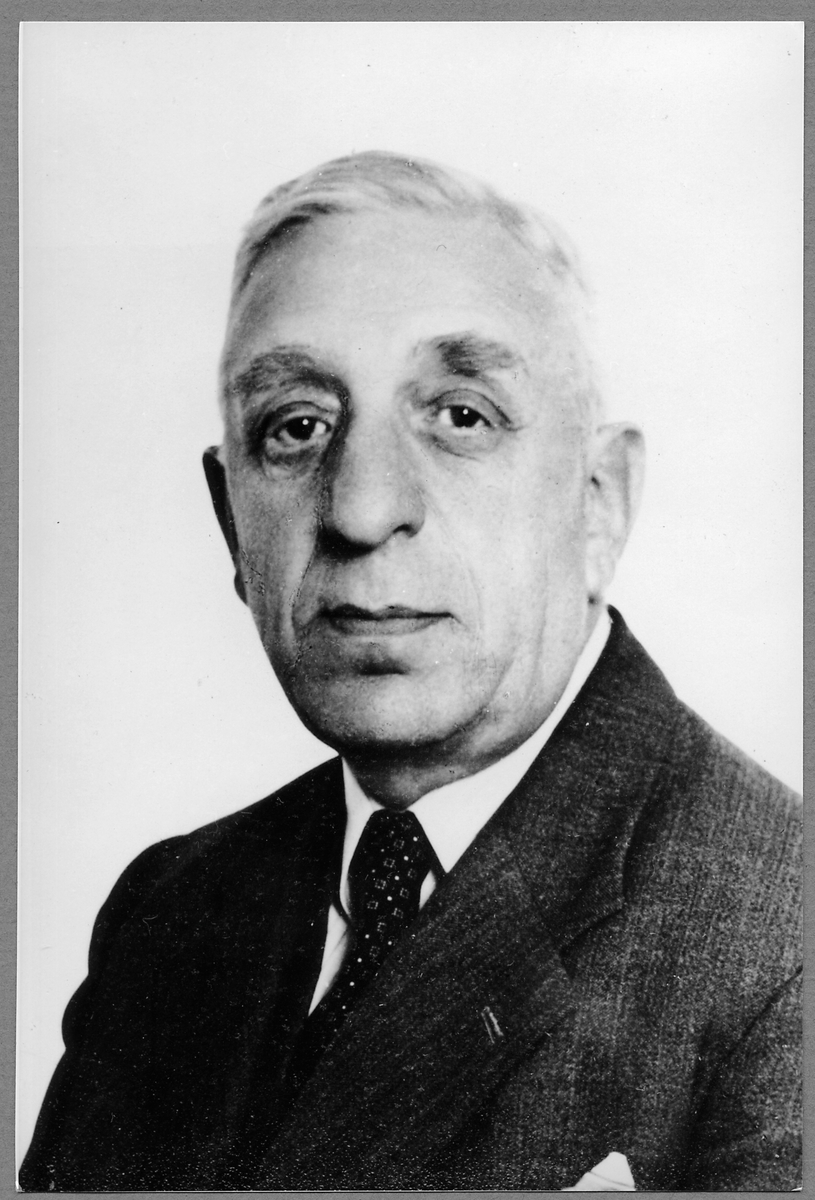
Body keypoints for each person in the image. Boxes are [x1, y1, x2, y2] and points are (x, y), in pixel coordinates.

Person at [20, 151, 801, 1192]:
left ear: (598, 502)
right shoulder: (171, 912)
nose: (360, 508)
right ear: (229, 522)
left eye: (461, 416)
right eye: (297, 425)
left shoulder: (784, 940)